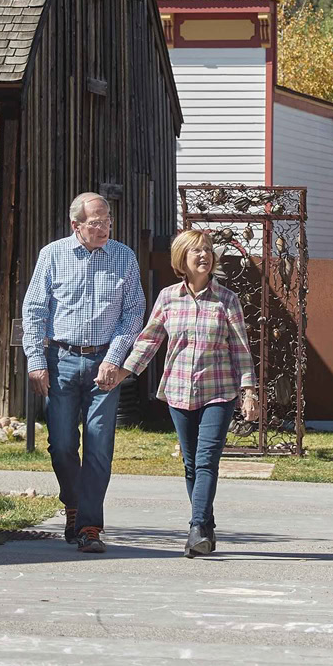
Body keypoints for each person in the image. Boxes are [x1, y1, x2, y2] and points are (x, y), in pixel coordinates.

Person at [113, 228, 258, 557]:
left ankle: (195, 528)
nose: (204, 255)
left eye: (207, 249)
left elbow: (240, 348)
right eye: (196, 251)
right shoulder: (168, 297)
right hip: (179, 390)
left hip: (219, 390)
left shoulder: (227, 299)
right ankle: (205, 524)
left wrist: (248, 390)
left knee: (207, 460)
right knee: (191, 463)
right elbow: (149, 340)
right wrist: (124, 372)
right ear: (183, 259)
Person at [20, 191, 144, 554]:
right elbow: (34, 311)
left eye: (107, 221)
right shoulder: (52, 255)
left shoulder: (124, 257)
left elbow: (133, 312)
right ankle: (73, 505)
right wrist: (36, 361)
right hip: (60, 360)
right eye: (96, 222)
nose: (104, 227)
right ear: (76, 225)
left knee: (99, 443)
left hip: (104, 362)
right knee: (61, 445)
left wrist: (115, 359)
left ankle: (90, 525)